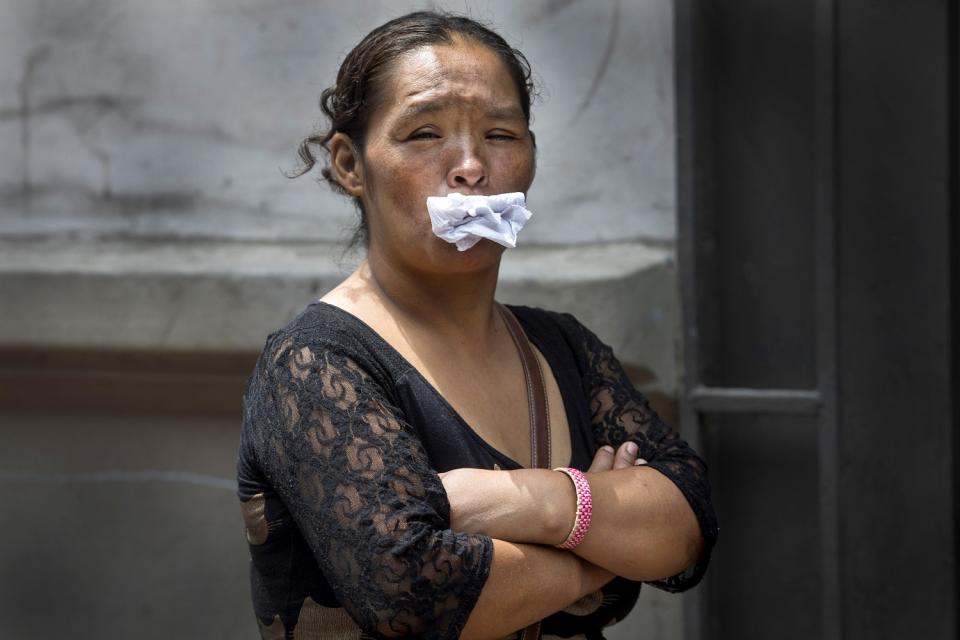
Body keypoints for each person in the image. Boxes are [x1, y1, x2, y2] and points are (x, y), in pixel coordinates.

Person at [237, 10, 718, 640]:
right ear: (351, 165)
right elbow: (418, 595)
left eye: (500, 134)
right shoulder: (315, 365)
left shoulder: (564, 347)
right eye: (424, 134)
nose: (470, 168)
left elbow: (688, 523)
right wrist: (602, 553)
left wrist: (531, 503)